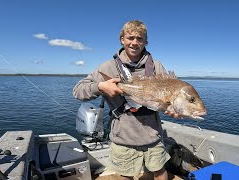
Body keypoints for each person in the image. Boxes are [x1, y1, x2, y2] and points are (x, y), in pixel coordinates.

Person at [73, 20, 178, 180]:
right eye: (130, 38)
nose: (135, 42)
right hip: (123, 136)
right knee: (125, 175)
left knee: (160, 171)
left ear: (146, 41)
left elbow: (166, 97)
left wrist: (172, 108)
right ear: (122, 39)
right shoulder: (107, 67)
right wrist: (101, 86)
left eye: (140, 38)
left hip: (153, 135)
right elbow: (78, 91)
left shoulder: (156, 66)